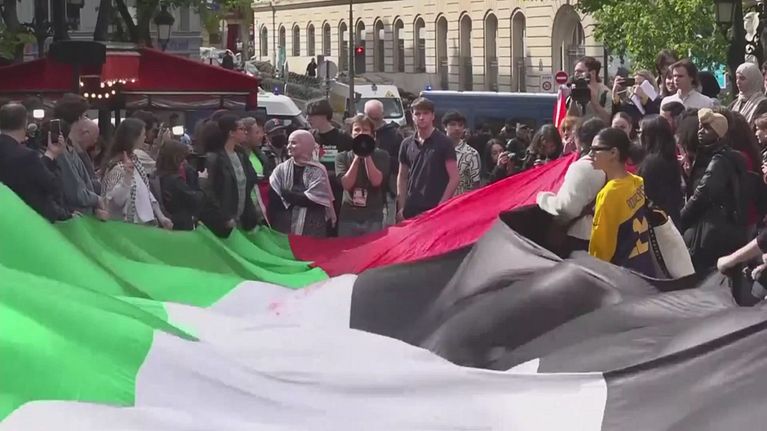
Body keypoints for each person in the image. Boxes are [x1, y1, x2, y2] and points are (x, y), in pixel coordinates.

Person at [680, 108, 748, 271]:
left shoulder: (719, 160)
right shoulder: (711, 155)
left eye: (707, 128)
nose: (700, 132)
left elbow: (702, 194)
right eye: (700, 127)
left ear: (719, 134)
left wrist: (680, 220)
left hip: (712, 233)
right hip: (719, 228)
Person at [588, 127, 656, 276]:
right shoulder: (637, 181)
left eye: (595, 149)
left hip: (623, 276)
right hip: (645, 268)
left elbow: (601, 250)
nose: (590, 154)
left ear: (613, 153)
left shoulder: (609, 194)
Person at [537, 118, 607, 253]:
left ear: (579, 140)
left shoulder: (582, 168)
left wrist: (542, 198)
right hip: (601, 234)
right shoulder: (611, 163)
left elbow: (565, 208)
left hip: (579, 237)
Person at [0, 103, 70, 222]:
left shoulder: (25, 155)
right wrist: (51, 155)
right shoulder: (27, 156)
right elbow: (52, 185)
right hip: (28, 219)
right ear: (25, 123)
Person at [101, 118, 172, 228]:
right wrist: (127, 179)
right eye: (143, 134)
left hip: (144, 223)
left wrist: (161, 216)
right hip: (129, 227)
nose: (145, 137)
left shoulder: (135, 162)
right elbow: (113, 202)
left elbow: (146, 191)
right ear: (134, 137)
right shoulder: (117, 168)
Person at [397, 97, 459, 220]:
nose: (421, 117)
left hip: (435, 209)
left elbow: (454, 177)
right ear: (412, 116)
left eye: (425, 113)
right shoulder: (406, 144)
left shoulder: (444, 142)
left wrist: (441, 206)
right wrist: (401, 207)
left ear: (433, 116)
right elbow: (402, 176)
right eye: (417, 114)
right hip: (411, 208)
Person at [200, 115, 259, 235]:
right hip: (223, 223)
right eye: (241, 129)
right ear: (231, 133)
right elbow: (209, 191)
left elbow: (250, 180)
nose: (245, 132)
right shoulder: (215, 158)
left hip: (241, 220)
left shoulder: (241, 155)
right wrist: (223, 218)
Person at [269, 130, 336, 236]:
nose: (288, 147)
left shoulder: (318, 170)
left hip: (312, 226)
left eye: (293, 143)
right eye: (288, 143)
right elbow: (274, 195)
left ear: (306, 145)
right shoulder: (281, 169)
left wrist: (287, 194)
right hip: (285, 225)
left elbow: (312, 200)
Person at [52, 94, 106, 218]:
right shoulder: (61, 151)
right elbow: (76, 192)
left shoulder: (71, 148)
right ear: (78, 118)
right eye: (84, 116)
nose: (86, 120)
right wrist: (97, 200)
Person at [334, 115, 390, 236]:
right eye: (357, 130)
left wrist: (367, 154)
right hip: (349, 216)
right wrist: (356, 157)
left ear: (372, 134)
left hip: (373, 216)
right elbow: (346, 184)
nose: (361, 133)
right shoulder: (342, 157)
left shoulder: (382, 155)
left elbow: (376, 181)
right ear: (351, 134)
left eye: (365, 130)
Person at [637, 115, 684, 226]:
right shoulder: (669, 158)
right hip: (671, 217)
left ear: (649, 136)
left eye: (640, 132)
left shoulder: (651, 163)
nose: (638, 136)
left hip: (656, 221)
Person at [364, 99, 403, 225]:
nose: (373, 122)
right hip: (364, 189)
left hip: (387, 190)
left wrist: (382, 158)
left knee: (386, 226)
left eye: (376, 118)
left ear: (382, 115)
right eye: (370, 117)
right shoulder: (362, 132)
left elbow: (401, 163)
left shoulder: (394, 134)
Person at [157, 139, 205, 231]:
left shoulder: (157, 176)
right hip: (180, 226)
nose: (184, 162)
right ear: (175, 158)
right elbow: (196, 200)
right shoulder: (176, 181)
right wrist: (202, 180)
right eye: (182, 158)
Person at [442, 111, 480, 196]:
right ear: (445, 127)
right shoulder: (435, 150)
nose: (457, 128)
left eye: (460, 125)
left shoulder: (471, 154)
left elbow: (476, 184)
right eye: (453, 124)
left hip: (460, 200)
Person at [569, 56, 612, 122]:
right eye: (575, 71)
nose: (577, 74)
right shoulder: (575, 90)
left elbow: (607, 120)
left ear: (593, 73)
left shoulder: (606, 94)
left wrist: (593, 100)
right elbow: (569, 120)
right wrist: (573, 100)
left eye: (580, 71)